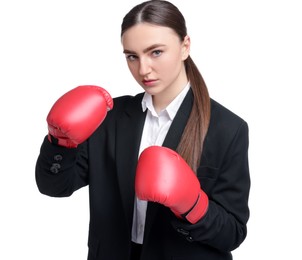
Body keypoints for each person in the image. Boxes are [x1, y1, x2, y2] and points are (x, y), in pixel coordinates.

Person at [35, 0, 250, 259]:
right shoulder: (109, 116)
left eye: (156, 52)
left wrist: (194, 205)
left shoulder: (227, 128)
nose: (143, 69)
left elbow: (233, 233)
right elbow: (55, 186)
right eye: (132, 56)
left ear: (185, 47)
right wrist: (59, 141)